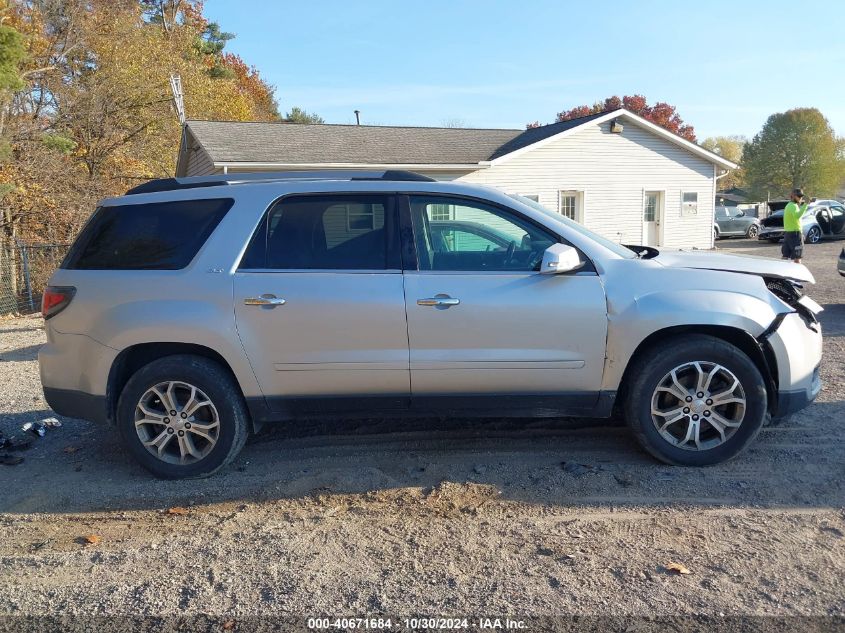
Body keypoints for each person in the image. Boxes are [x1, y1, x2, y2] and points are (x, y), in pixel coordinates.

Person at [782, 188, 809, 263]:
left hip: (788, 234)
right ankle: (798, 274)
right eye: (799, 196)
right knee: (797, 257)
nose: (800, 198)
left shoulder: (789, 205)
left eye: (801, 196)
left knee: (785, 256)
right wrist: (806, 204)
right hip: (795, 234)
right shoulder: (793, 206)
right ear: (793, 196)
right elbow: (798, 215)